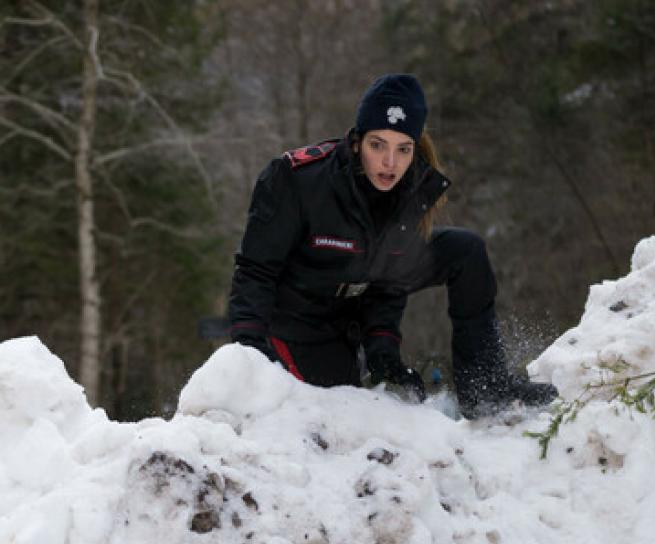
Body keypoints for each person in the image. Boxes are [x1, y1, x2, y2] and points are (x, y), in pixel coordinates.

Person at [227, 73, 556, 418]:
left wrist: (382, 346)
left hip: (350, 310)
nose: (389, 163)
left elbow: (390, 276)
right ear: (357, 142)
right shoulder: (296, 180)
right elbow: (255, 272)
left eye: (403, 149)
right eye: (377, 145)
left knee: (465, 250)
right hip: (296, 324)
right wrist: (250, 353)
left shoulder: (412, 188)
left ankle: (485, 390)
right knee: (328, 422)